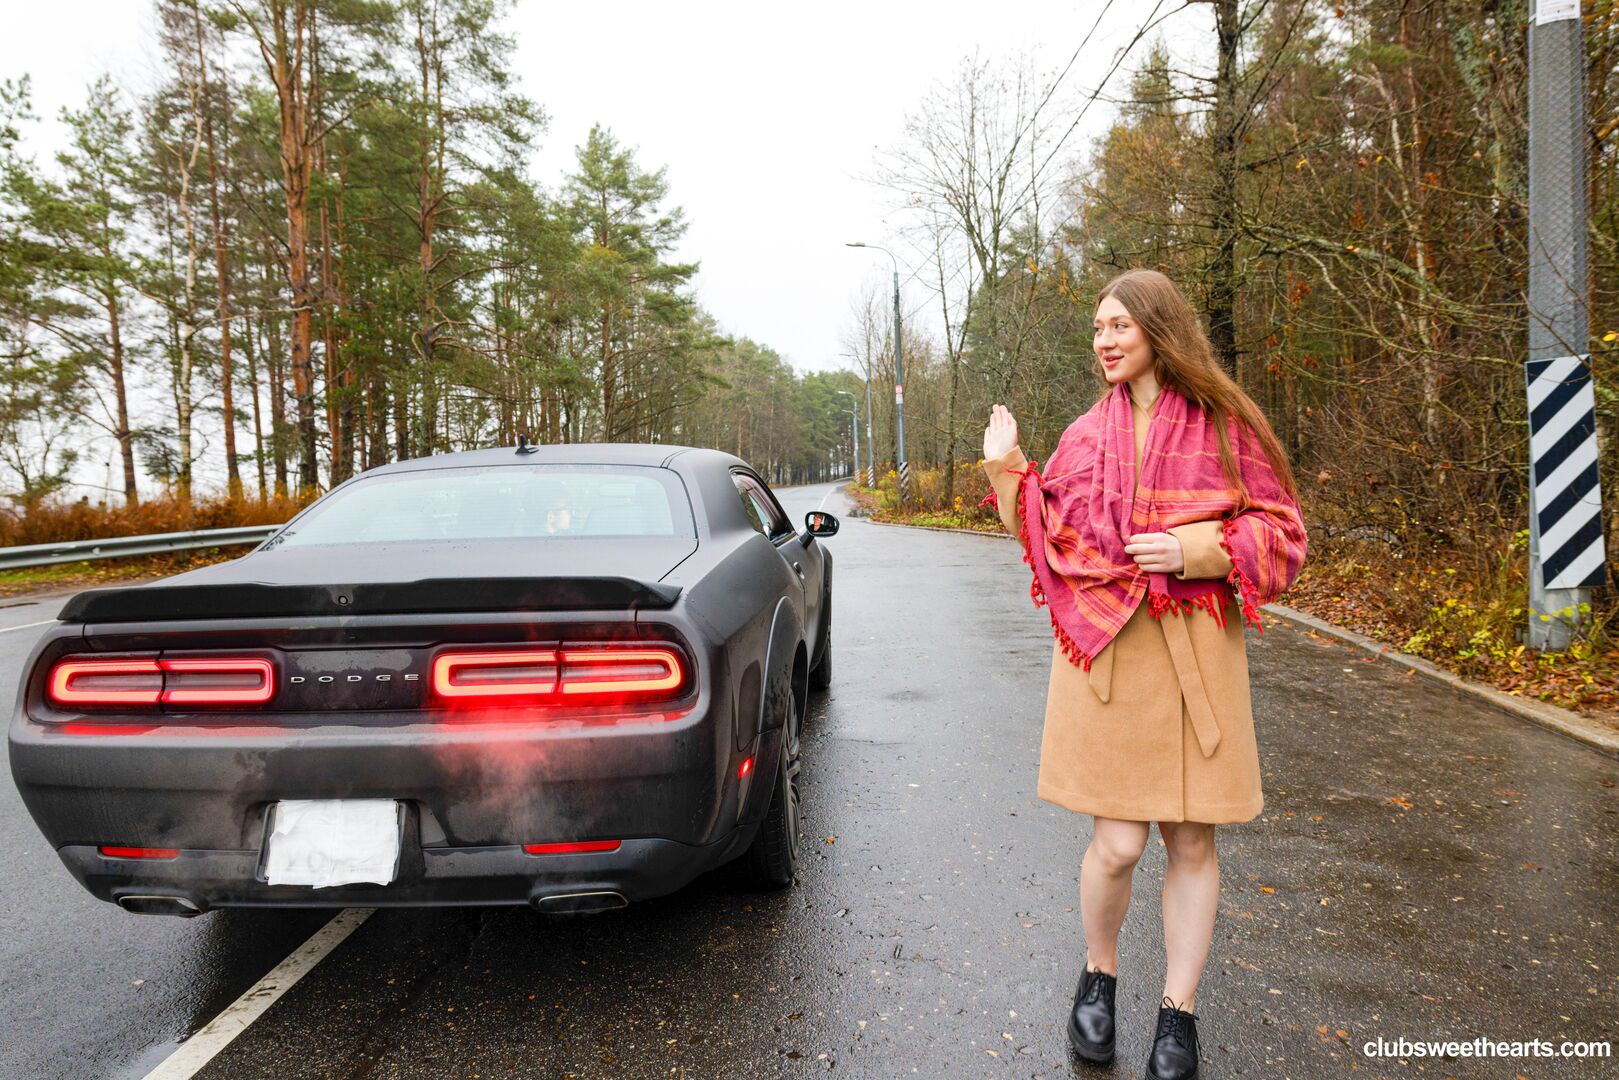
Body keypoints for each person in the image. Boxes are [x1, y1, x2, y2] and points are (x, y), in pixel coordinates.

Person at [980, 268, 1307, 1080]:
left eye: (1118, 325)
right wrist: (1005, 466)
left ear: (1159, 329)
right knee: (1117, 844)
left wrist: (1194, 549)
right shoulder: (1084, 434)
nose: (1104, 340)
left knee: (1190, 839)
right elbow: (1046, 534)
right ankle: (1098, 975)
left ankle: (1177, 1016)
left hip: (1196, 653)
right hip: (1110, 654)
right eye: (1097, 327)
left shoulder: (1228, 424)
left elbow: (1282, 535)